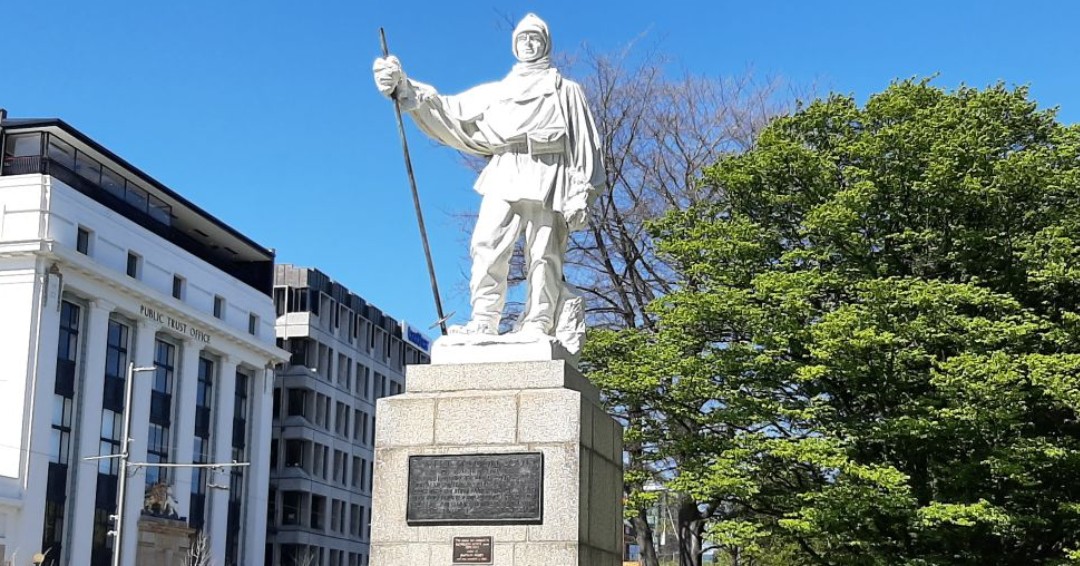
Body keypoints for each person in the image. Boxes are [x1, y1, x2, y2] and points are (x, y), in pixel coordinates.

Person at [373, 13, 605, 354]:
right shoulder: (498, 92)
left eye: (535, 38)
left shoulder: (566, 90)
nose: (528, 43)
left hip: (549, 170)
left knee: (544, 252)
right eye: (523, 38)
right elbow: (449, 110)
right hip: (505, 167)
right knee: (487, 244)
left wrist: (581, 192)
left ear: (545, 44)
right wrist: (403, 86)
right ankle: (484, 318)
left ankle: (539, 319)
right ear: (514, 45)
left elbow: (586, 144)